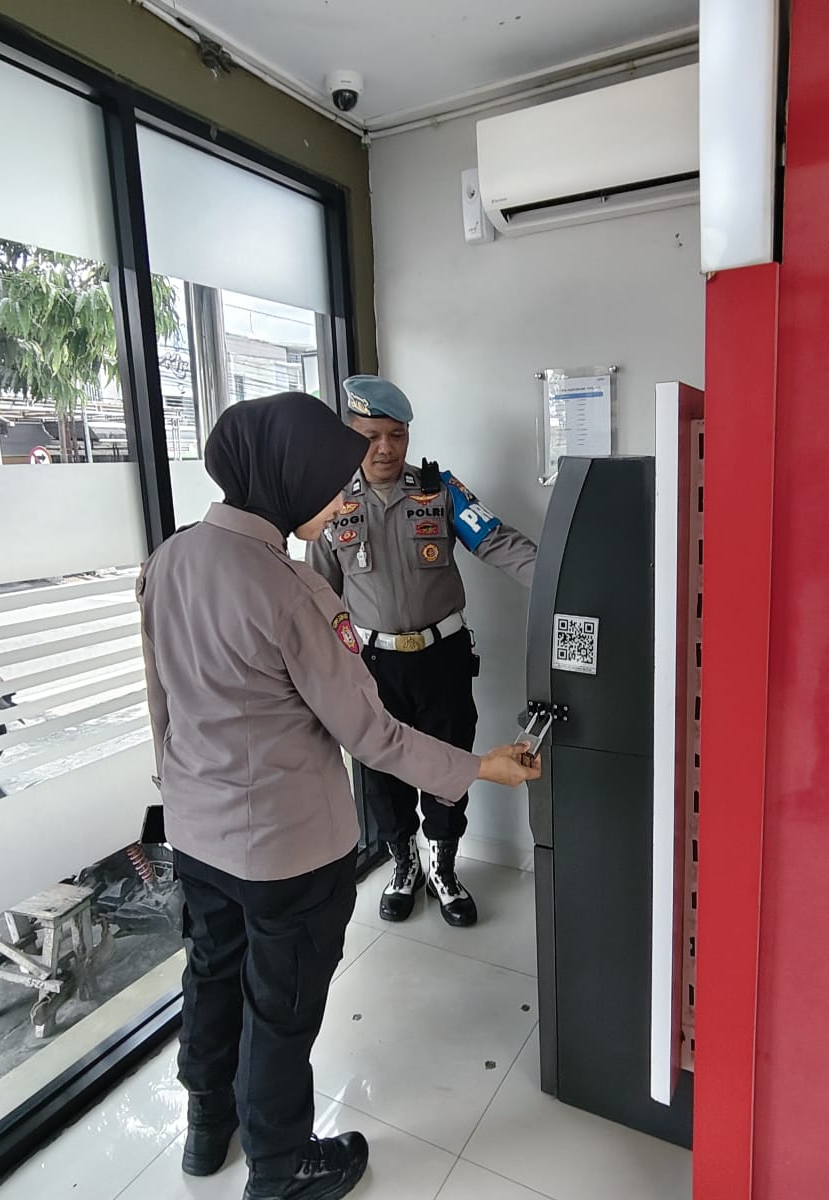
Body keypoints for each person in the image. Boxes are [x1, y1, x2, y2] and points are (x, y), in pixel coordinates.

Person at [137, 392, 540, 1199]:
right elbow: (373, 736)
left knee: (212, 973)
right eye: (327, 479)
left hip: (197, 831)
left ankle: (207, 1126)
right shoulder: (292, 591)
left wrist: (177, 794)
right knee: (281, 1005)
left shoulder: (168, 559)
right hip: (284, 847)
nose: (339, 494)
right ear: (286, 479)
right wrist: (480, 768)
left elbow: (162, 704)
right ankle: (281, 1168)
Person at [307, 375, 537, 927]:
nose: (386, 448)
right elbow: (318, 597)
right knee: (380, 775)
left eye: (397, 434)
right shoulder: (332, 504)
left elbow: (498, 542)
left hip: (441, 659)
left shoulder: (440, 491)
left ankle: (444, 869)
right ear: (350, 435)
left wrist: (563, 578)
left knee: (450, 763)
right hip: (371, 666)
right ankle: (404, 865)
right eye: (371, 436)